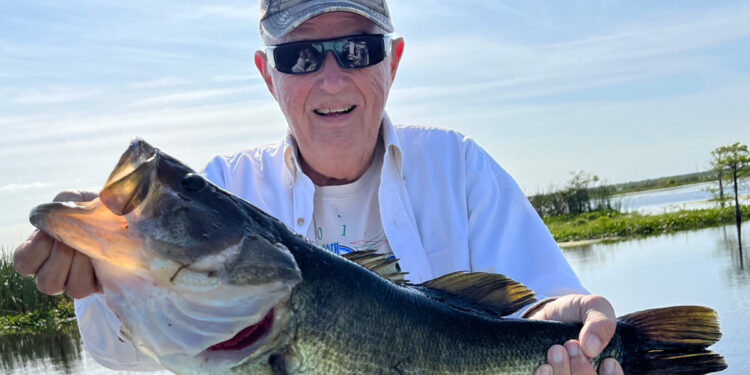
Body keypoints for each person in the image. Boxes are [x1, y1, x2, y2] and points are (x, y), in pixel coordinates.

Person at [13, 1, 624, 374]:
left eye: (356, 49)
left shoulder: (460, 169)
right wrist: (97, 272)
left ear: (395, 60)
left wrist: (577, 335)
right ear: (267, 74)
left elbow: (540, 310)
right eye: (301, 57)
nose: (331, 80)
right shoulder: (232, 184)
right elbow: (116, 351)